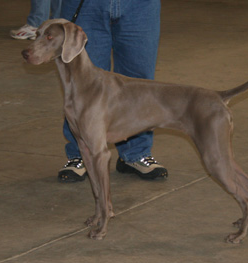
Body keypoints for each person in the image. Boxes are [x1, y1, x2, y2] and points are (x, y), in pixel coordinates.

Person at [58, 0, 168, 182]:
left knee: (139, 82)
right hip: (85, 4)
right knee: (83, 84)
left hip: (140, 5)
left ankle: (135, 152)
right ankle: (80, 154)